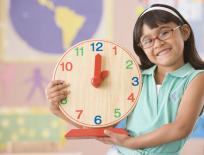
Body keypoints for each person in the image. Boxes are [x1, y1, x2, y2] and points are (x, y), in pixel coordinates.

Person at [45, 3, 204, 155]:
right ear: (141, 47)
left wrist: (130, 143)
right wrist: (57, 109)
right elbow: (104, 127)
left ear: (184, 32)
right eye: (148, 40)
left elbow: (180, 128)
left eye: (164, 32)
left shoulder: (197, 78)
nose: (158, 43)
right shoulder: (136, 77)